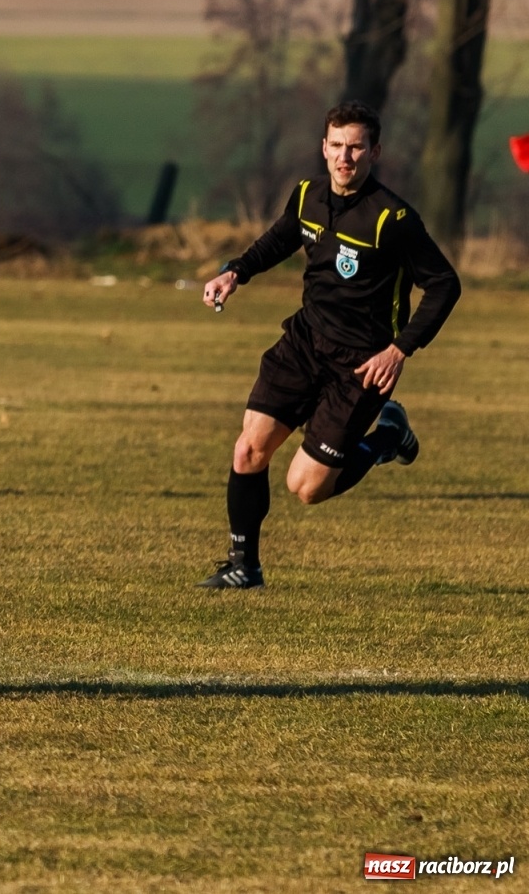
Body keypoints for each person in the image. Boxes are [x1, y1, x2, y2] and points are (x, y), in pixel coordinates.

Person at [197, 100, 461, 589]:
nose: (345, 157)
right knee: (248, 449)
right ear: (323, 148)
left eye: (356, 147)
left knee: (306, 488)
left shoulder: (393, 219)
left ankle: (386, 437)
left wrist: (399, 350)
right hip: (304, 342)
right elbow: (279, 240)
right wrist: (235, 272)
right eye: (337, 145)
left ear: (374, 152)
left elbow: (445, 284)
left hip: (361, 365)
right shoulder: (307, 196)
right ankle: (243, 567)